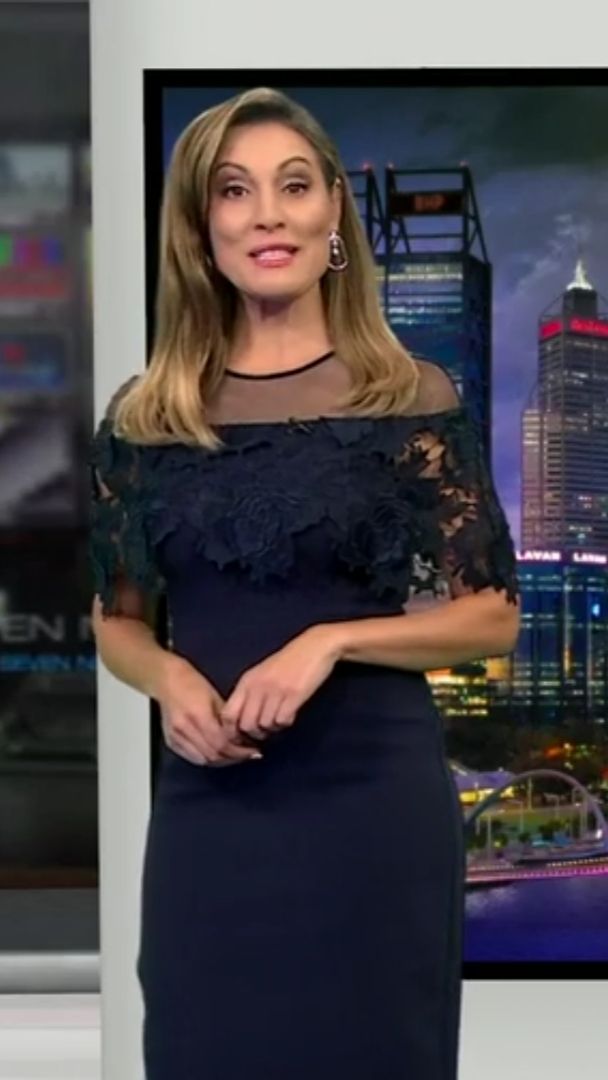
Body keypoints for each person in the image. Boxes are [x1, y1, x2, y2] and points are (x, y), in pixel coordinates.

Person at [89, 86, 521, 1080]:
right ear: (201, 227)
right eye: (234, 191)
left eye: (293, 186)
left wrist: (329, 641)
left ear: (333, 214)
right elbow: (116, 621)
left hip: (370, 808)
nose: (266, 215)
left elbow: (491, 617)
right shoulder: (146, 416)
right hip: (211, 812)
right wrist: (166, 678)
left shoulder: (408, 397)